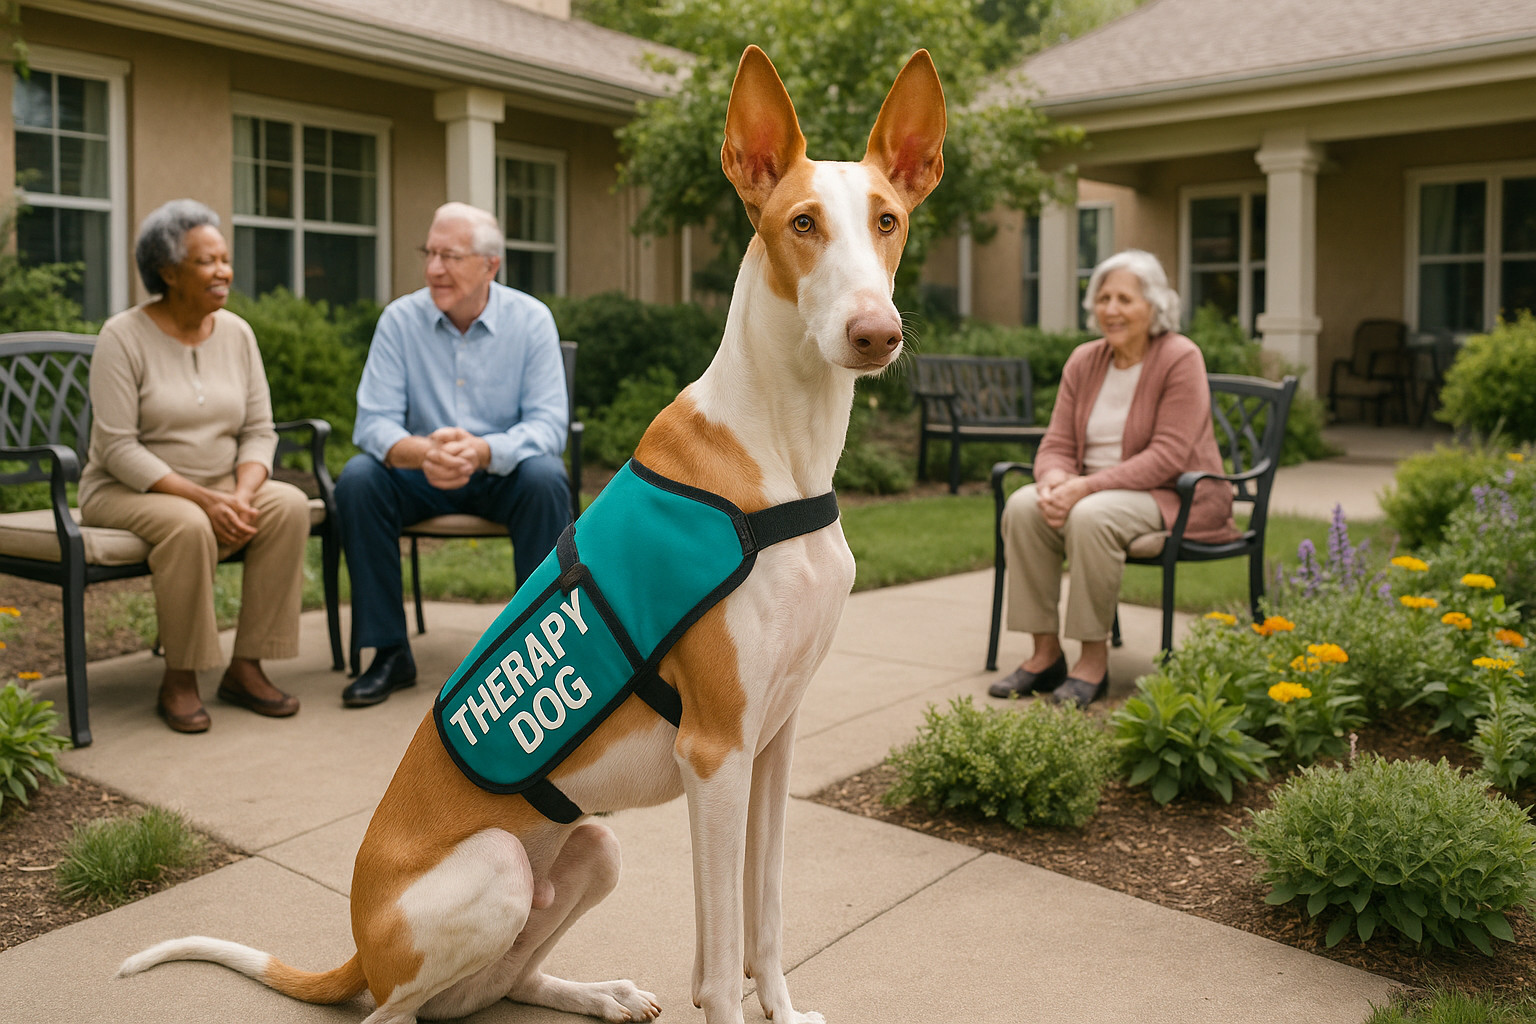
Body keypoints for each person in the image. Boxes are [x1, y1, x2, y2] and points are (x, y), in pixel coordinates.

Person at [80, 199, 311, 733]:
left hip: (222, 486)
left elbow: (259, 431)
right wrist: (206, 500)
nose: (223, 271)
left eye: (225, 259)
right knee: (187, 526)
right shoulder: (122, 336)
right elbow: (117, 448)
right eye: (207, 261)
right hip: (124, 489)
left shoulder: (237, 333)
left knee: (289, 505)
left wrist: (243, 493)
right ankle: (181, 676)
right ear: (168, 271)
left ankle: (247, 666)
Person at [335, 202, 571, 708]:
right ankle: (389, 652)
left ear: (490, 265)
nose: (433, 268)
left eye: (450, 255)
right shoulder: (400, 321)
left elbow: (549, 426)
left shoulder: (531, 321)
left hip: (499, 474)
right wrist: (422, 453)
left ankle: (543, 654)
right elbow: (372, 423)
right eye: (430, 253)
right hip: (422, 474)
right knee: (358, 479)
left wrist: (485, 450)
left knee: (546, 476)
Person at [990, 249, 1236, 707]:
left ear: (1154, 306)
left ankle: (1092, 660)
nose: (1111, 310)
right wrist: (1053, 480)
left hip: (1173, 496)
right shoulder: (1085, 360)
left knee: (1091, 515)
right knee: (1024, 505)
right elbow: (1057, 441)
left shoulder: (1180, 357)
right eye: (1103, 298)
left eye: (1125, 299)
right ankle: (1045, 655)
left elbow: (1169, 455)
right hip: (1093, 491)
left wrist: (1083, 487)